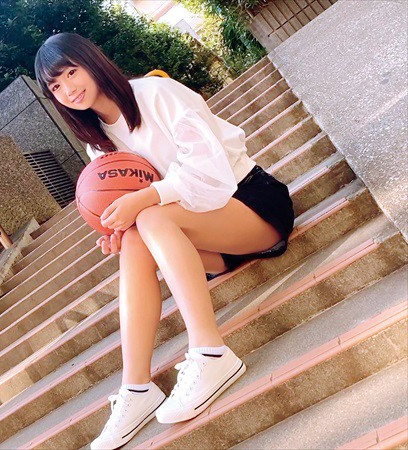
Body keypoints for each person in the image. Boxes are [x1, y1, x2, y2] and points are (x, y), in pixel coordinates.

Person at [34, 33, 294, 450]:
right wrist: (118, 232)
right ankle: (136, 387)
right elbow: (134, 206)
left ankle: (211, 352)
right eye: (55, 86)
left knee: (149, 214)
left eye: (70, 72)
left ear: (92, 61)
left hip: (252, 205)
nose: (68, 88)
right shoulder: (98, 143)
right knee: (137, 232)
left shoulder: (157, 93)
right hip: (209, 244)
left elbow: (211, 173)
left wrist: (144, 199)